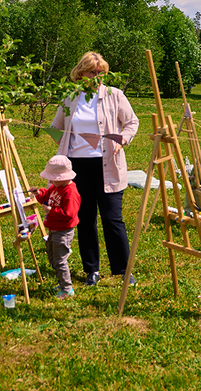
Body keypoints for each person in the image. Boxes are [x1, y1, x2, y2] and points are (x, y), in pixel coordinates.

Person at [51, 51, 139, 286]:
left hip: (108, 164)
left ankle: (122, 270)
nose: (97, 77)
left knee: (113, 219)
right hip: (77, 167)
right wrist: (66, 148)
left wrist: (122, 140)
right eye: (92, 72)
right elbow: (56, 127)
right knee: (85, 218)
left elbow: (132, 122)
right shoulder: (70, 97)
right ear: (81, 73)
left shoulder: (115, 95)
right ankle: (92, 270)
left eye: (101, 73)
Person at [34, 154, 81, 300]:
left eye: (52, 177)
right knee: (53, 258)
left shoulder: (70, 192)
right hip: (54, 228)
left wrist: (51, 211)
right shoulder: (56, 187)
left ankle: (67, 289)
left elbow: (69, 214)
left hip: (64, 231)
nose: (49, 180)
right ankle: (62, 284)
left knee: (60, 261)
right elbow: (47, 196)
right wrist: (38, 193)